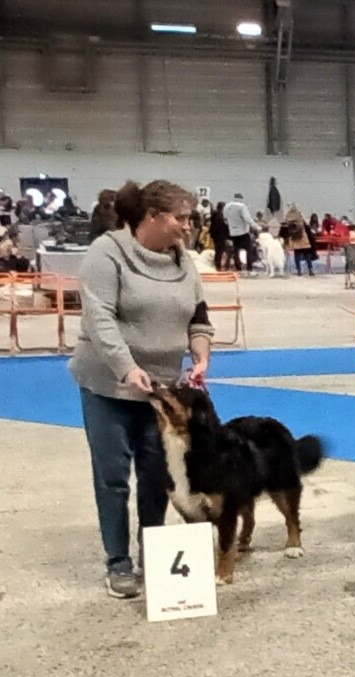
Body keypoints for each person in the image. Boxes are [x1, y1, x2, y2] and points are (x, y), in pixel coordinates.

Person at [69, 179, 214, 598]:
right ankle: (118, 563)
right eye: (181, 217)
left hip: (162, 390)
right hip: (108, 384)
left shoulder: (183, 262)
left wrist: (200, 357)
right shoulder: (107, 253)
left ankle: (154, 552)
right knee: (113, 476)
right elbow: (99, 320)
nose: (189, 226)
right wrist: (127, 368)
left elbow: (198, 319)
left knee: (157, 474)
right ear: (152, 217)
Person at [223, 193, 260, 274]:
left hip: (233, 232)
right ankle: (249, 268)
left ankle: (238, 267)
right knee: (248, 250)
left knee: (236, 250)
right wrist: (255, 226)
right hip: (243, 231)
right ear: (241, 198)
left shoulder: (227, 206)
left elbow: (225, 219)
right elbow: (247, 218)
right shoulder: (242, 206)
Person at [283, 204, 315, 276]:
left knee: (297, 254)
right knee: (307, 254)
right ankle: (310, 269)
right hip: (302, 236)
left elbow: (286, 225)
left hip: (294, 237)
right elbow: (306, 223)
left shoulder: (287, 215)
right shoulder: (299, 214)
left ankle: (299, 270)